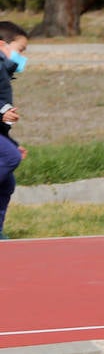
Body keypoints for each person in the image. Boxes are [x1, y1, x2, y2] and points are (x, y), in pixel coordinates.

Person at [0, 21, 29, 240]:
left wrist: (13, 142)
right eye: (20, 50)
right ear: (2, 45)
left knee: (7, 181)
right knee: (9, 159)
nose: (22, 57)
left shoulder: (4, 70)